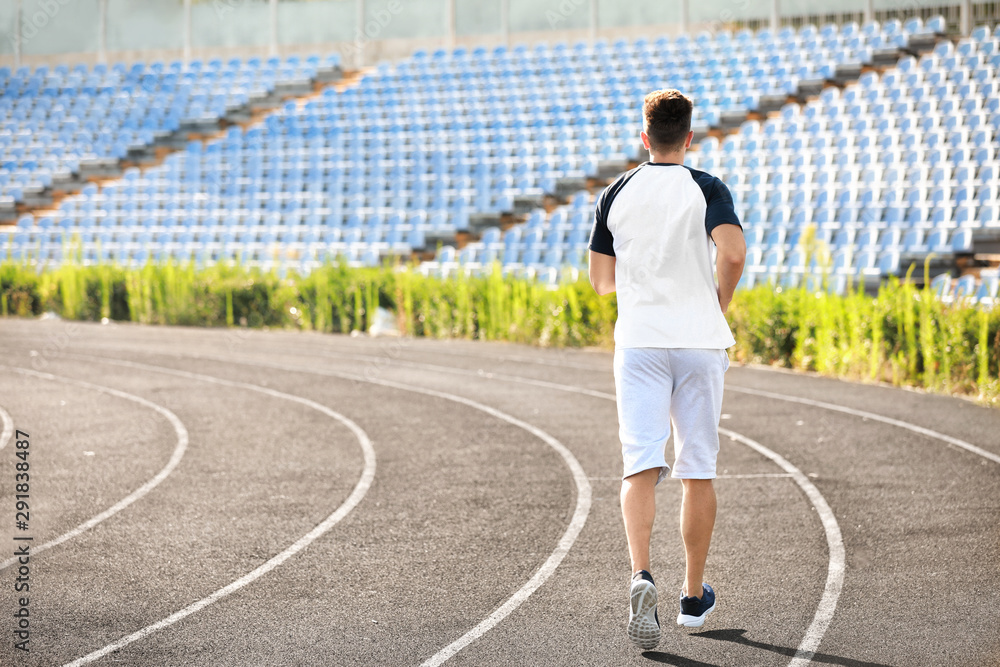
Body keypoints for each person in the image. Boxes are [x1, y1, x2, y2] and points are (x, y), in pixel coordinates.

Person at [587, 88, 746, 650]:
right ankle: (692, 598)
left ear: (644, 137)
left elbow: (602, 282)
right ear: (690, 138)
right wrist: (718, 302)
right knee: (697, 467)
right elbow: (731, 252)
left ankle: (640, 574)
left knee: (640, 464)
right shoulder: (707, 188)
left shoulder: (617, 190)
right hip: (699, 342)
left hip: (640, 343)